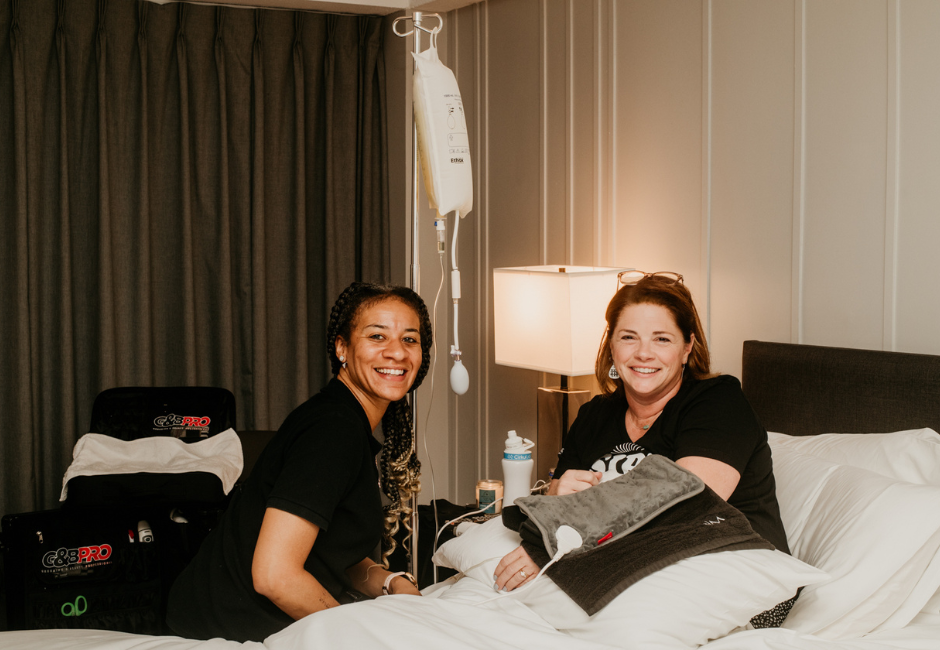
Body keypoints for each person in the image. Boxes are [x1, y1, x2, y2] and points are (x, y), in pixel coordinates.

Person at [167, 282, 431, 642]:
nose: (397, 353)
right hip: (223, 630)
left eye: (409, 340)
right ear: (343, 348)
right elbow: (275, 575)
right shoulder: (333, 431)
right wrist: (358, 637)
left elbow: (331, 548)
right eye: (377, 336)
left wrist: (390, 581)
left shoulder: (342, 419)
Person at [494, 271, 790, 592]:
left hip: (737, 571)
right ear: (611, 346)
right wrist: (556, 494)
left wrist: (553, 544)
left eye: (662, 338)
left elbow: (684, 505)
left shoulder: (719, 401)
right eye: (628, 337)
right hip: (625, 573)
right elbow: (554, 505)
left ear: (687, 347)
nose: (644, 353)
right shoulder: (594, 415)